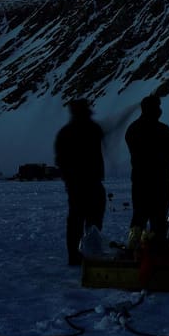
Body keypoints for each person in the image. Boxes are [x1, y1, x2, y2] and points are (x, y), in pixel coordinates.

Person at [54, 98, 106, 266]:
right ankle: (91, 253)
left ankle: (74, 255)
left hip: (76, 185)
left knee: (76, 221)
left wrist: (68, 179)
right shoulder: (93, 129)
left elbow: (60, 160)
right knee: (93, 221)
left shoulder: (66, 132)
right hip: (91, 182)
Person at [125, 94, 169, 248]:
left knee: (139, 215)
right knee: (158, 218)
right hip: (159, 180)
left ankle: (134, 248)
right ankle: (154, 249)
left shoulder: (133, 129)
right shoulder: (162, 130)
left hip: (139, 179)